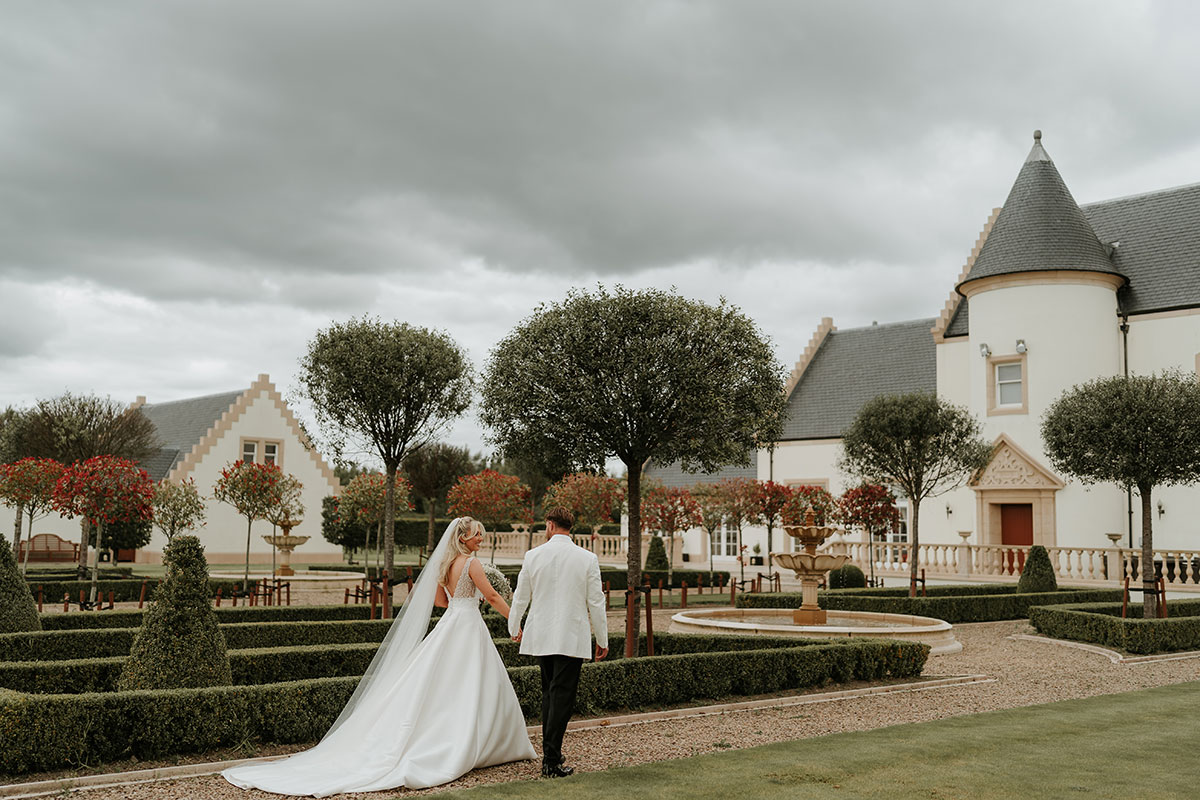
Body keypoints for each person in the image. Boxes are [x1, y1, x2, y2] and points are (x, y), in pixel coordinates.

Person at [222, 517, 536, 796]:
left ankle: (472, 740)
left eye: (481, 534)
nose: (481, 539)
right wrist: (514, 621)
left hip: (452, 622)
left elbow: (441, 601)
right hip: (467, 625)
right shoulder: (472, 564)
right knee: (471, 681)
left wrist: (463, 600)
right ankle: (481, 742)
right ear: (464, 538)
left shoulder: (446, 565)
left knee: (446, 681)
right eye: (477, 534)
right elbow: (493, 596)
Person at [509, 506, 608, 778]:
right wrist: (602, 638)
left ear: (550, 525)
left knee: (549, 695)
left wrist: (514, 624)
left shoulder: (533, 555)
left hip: (541, 635)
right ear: (569, 526)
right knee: (560, 698)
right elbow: (596, 602)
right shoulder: (587, 558)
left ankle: (552, 754)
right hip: (570, 636)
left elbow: (520, 596)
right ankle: (551, 762)